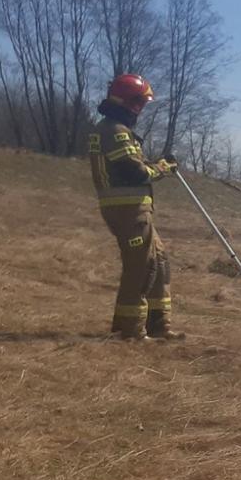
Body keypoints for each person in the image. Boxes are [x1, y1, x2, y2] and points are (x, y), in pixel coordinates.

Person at [87, 73, 183, 340]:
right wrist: (163, 168)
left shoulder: (117, 129)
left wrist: (158, 165)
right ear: (125, 102)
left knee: (159, 263)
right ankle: (129, 331)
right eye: (138, 103)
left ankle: (159, 326)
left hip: (136, 209)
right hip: (127, 209)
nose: (140, 110)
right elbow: (135, 172)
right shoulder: (114, 131)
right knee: (141, 268)